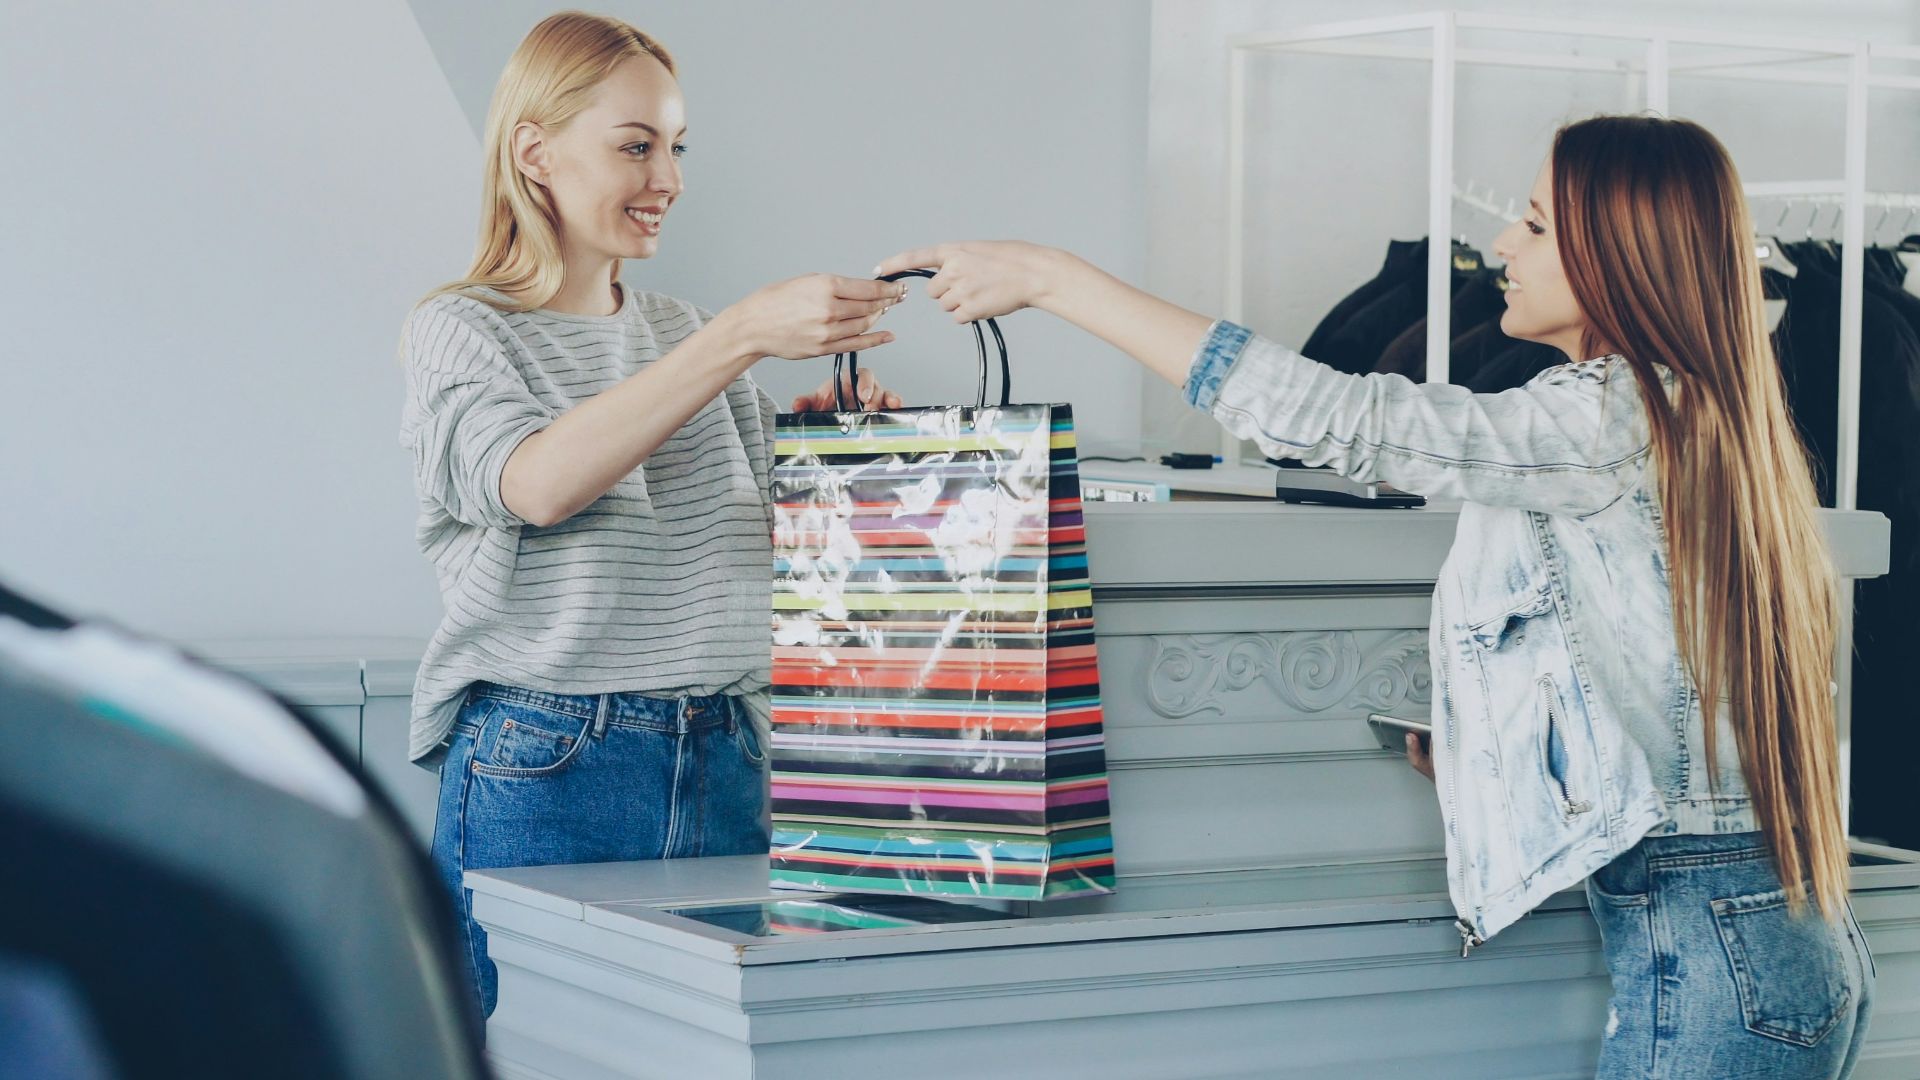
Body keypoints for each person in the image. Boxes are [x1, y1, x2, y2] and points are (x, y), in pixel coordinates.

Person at [878, 114, 1875, 1076]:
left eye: (1535, 225)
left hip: (1711, 952)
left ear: (1619, 257)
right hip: (1754, 933)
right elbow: (1654, 663)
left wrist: (1057, 280)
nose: (1501, 244)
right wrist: (1494, 747)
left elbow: (1341, 419)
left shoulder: (1610, 416)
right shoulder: (1686, 411)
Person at [397, 11, 905, 1021]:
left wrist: (837, 446)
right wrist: (741, 336)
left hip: (730, 753)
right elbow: (535, 484)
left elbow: (785, 552)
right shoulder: (462, 329)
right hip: (550, 765)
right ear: (535, 153)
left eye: (676, 147)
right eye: (636, 146)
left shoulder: (686, 335)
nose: (666, 178)